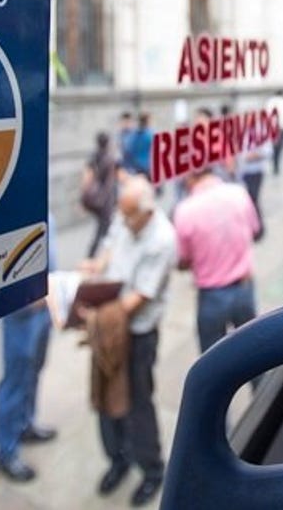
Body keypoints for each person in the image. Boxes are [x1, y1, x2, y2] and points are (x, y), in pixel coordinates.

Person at [80, 175, 176, 507]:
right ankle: (117, 459)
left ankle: (151, 469)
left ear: (146, 211)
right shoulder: (125, 218)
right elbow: (108, 247)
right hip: (109, 321)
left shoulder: (162, 239)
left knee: (137, 403)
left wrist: (92, 316)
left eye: (129, 215)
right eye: (121, 213)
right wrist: (95, 268)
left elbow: (139, 299)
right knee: (106, 396)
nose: (122, 220)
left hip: (137, 333)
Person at [0, 215, 58, 482]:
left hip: (44, 307)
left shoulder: (45, 209)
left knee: (34, 371)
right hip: (22, 312)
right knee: (16, 379)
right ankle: (6, 452)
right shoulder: (10, 212)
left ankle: (25, 425)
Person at [174, 165, 260, 352]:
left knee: (213, 360)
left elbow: (183, 260)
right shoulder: (239, 193)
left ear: (189, 175)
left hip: (211, 295)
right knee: (254, 354)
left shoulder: (185, 210)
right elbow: (254, 230)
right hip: (244, 287)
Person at [82, 131, 118, 259]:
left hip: (95, 199)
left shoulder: (93, 156)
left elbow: (86, 179)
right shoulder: (110, 158)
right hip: (105, 200)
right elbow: (110, 183)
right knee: (105, 229)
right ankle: (96, 256)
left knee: (104, 228)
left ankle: (95, 255)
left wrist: (84, 198)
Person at [126, 112, 154, 181]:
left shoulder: (133, 135)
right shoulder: (150, 134)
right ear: (147, 121)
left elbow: (129, 151)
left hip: (136, 168)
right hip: (148, 168)